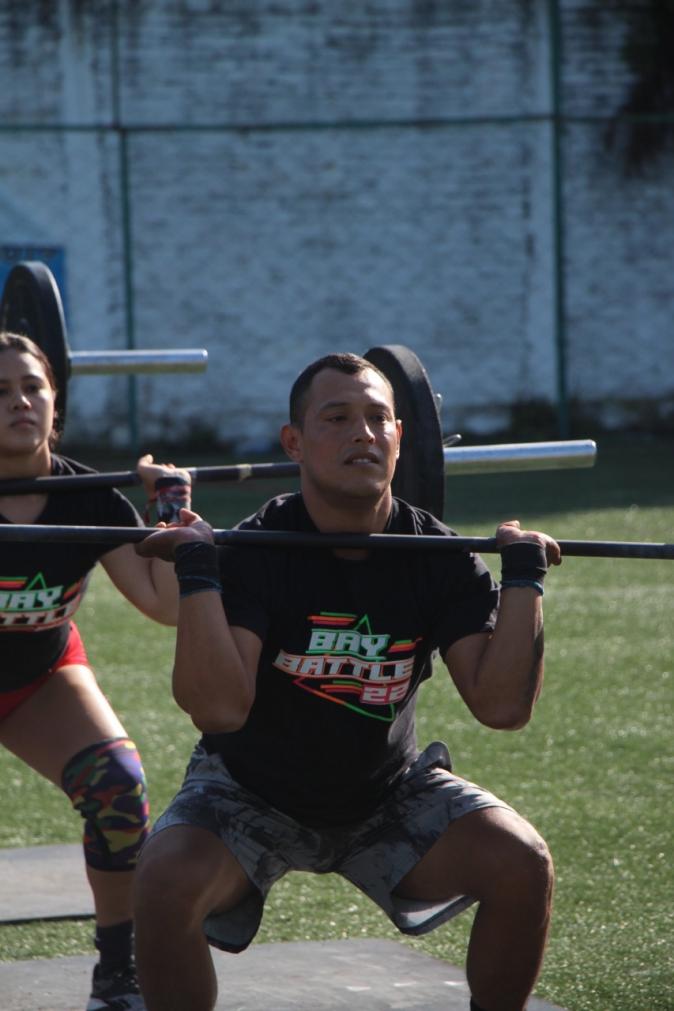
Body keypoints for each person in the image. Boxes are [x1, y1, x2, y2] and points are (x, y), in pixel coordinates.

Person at [132, 352, 562, 1011]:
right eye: (336, 418)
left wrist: (524, 580)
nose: (362, 433)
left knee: (522, 862)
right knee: (164, 878)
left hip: (386, 792)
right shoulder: (256, 549)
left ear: (401, 438)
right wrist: (198, 573)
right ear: (294, 442)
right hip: (248, 793)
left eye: (378, 418)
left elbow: (502, 707)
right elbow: (218, 709)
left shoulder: (440, 557)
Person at [0, 331, 192, 1011]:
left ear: (56, 400)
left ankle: (117, 973)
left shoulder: (90, 497)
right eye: (0, 391)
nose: (20, 402)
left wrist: (170, 509)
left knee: (117, 788)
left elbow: (166, 606)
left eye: (33, 387)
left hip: (39, 677)